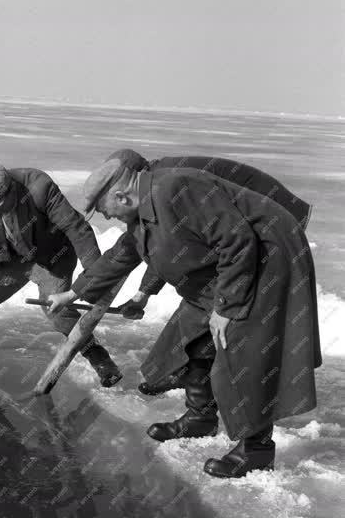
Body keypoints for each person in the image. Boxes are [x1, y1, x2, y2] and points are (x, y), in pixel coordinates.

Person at [48, 157, 321, 478]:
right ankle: (200, 417)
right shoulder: (144, 211)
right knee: (194, 333)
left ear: (121, 196)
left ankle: (256, 450)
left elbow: (237, 239)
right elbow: (122, 254)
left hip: (267, 255)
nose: (105, 215)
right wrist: (74, 293)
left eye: (103, 207)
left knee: (244, 347)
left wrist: (226, 308)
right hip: (232, 263)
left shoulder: (177, 188)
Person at [108, 149, 312, 399]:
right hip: (246, 228)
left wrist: (145, 293)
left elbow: (181, 243)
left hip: (273, 226)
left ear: (134, 175)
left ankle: (194, 376)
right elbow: (170, 249)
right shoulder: (157, 187)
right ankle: (188, 380)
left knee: (230, 311)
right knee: (208, 303)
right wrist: (144, 293)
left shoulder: (170, 185)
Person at [0, 164, 122, 387]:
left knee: (58, 313)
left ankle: (98, 356)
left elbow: (76, 228)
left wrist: (94, 279)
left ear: (11, 193)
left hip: (52, 256)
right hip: (9, 255)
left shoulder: (40, 187)